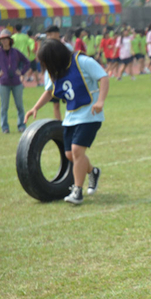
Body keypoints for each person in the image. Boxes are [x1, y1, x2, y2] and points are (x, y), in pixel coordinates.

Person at [25, 39, 108, 205]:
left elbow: (103, 77)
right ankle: (93, 172)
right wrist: (35, 108)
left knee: (77, 151)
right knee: (70, 155)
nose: (46, 65)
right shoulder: (54, 71)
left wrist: (100, 101)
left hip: (90, 115)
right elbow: (49, 92)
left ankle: (77, 191)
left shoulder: (82, 61)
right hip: (71, 117)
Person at [0, 29, 29, 134]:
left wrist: (21, 72)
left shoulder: (15, 52)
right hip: (3, 83)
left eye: (6, 39)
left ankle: (21, 125)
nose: (4, 41)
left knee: (19, 105)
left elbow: (27, 62)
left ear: (10, 40)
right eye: (2, 39)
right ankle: (5, 127)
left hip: (16, 83)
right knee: (4, 107)